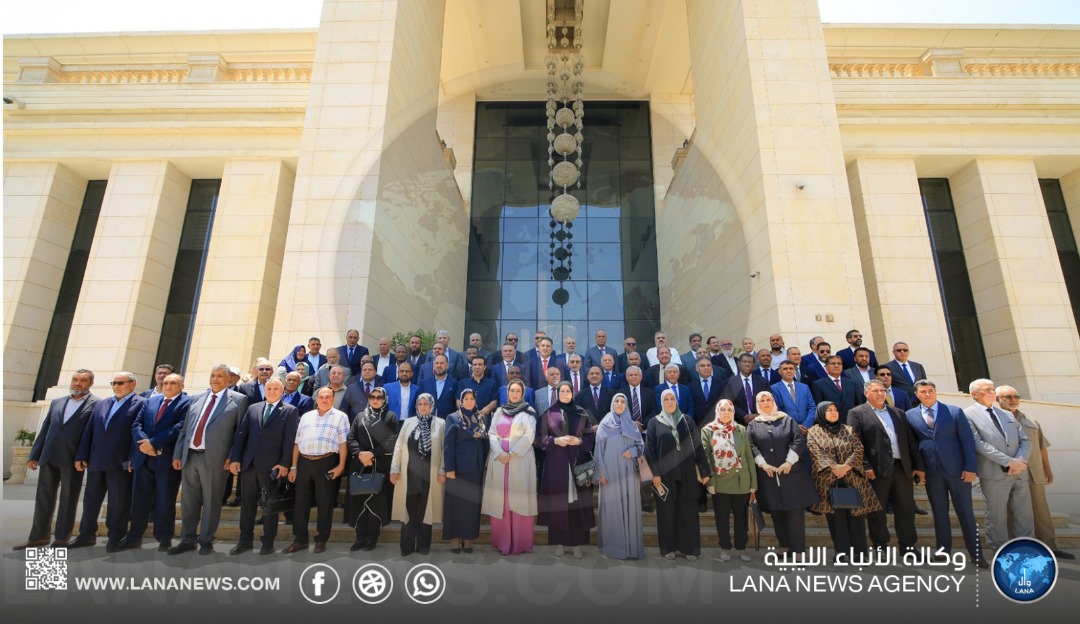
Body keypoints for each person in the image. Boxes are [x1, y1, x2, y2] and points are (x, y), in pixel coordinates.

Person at [14, 370, 100, 551]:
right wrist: (34, 455)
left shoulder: (97, 405)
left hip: (73, 459)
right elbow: (45, 430)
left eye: (83, 381)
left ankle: (62, 538)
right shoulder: (57, 402)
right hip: (49, 456)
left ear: (90, 383)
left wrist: (84, 457)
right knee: (43, 499)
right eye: (75, 379)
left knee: (68, 499)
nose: (78, 383)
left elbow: (92, 435)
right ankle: (38, 537)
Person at [169, 364, 250, 555]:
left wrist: (233, 456)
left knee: (212, 501)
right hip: (190, 457)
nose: (215, 379)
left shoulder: (238, 400)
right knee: (189, 502)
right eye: (213, 375)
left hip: (216, 459)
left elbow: (240, 432)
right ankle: (187, 539)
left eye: (220, 376)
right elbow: (185, 429)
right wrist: (178, 454)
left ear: (229, 378)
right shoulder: (196, 399)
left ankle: (206, 540)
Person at [905, 380, 985, 567]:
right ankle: (943, 552)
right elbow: (913, 446)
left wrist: (971, 468)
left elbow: (967, 442)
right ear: (916, 394)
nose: (927, 394)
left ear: (935, 392)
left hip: (958, 471)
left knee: (966, 513)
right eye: (923, 391)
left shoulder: (954, 411)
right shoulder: (909, 415)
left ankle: (976, 554)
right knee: (939, 513)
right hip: (932, 472)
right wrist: (919, 470)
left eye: (931, 391)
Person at [69, 372, 145, 552]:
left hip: (121, 463)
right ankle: (86, 535)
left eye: (121, 383)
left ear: (132, 384)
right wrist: (82, 455)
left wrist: (133, 459)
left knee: (118, 502)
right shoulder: (103, 404)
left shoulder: (142, 404)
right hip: (97, 460)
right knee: (91, 500)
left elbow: (139, 433)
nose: (116, 386)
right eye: (114, 383)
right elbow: (90, 431)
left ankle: (115, 538)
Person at [995, 386, 1074, 560]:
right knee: (1011, 511)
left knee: (1041, 512)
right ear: (997, 398)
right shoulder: (993, 420)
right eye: (1008, 397)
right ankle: (1014, 548)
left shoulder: (1030, 420)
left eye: (1016, 396)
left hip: (1033, 472)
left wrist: (1047, 468)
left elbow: (1041, 447)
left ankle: (1050, 547)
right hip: (1009, 474)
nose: (1013, 400)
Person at [227, 376, 299, 555]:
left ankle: (268, 542)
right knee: (247, 505)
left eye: (276, 389)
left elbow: (290, 440)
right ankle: (245, 540)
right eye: (269, 389)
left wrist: (284, 463)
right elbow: (241, 434)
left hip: (272, 467)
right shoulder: (253, 408)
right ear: (264, 391)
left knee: (270, 507)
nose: (272, 391)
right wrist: (235, 459)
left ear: (282, 392)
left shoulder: (290, 411)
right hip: (249, 465)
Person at [121, 373, 190, 551]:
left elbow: (179, 427)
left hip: (166, 461)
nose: (168, 386)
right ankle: (134, 536)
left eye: (173, 383)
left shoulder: (187, 403)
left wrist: (153, 443)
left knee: (165, 501)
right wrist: (144, 444)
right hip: (143, 458)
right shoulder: (150, 401)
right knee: (139, 500)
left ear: (181, 386)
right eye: (165, 383)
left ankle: (164, 538)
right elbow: (136, 424)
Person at [964, 379, 1033, 552]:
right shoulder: (967, 414)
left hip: (1019, 471)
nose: (992, 392)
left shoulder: (1007, 414)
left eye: (992, 389)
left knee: (1024, 514)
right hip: (994, 473)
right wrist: (1008, 461)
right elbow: (978, 443)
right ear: (974, 395)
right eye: (987, 390)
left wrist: (1019, 461)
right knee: (996, 515)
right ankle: (1000, 549)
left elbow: (1025, 440)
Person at [747, 391, 819, 554]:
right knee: (776, 512)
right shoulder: (753, 425)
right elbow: (751, 446)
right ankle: (784, 546)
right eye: (762, 400)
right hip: (769, 477)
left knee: (795, 514)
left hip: (791, 475)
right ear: (758, 404)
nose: (766, 403)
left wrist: (789, 462)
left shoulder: (787, 420)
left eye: (769, 399)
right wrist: (763, 464)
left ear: (774, 401)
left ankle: (798, 551)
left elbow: (799, 440)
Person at [807, 401, 880, 562]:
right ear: (821, 413)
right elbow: (816, 452)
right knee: (836, 519)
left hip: (852, 479)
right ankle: (841, 552)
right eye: (829, 410)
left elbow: (858, 449)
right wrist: (834, 468)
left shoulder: (848, 429)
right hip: (828, 481)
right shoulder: (813, 431)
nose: (834, 413)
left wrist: (846, 467)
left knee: (856, 517)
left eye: (835, 410)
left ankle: (860, 554)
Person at [283, 386, 349, 554]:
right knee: (301, 503)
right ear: (316, 399)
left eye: (328, 397)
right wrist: (293, 466)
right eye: (321, 397)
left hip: (327, 462)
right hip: (304, 463)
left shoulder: (341, 417)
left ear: (333, 399)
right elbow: (297, 443)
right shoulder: (306, 416)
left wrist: (341, 466)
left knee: (325, 502)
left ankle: (321, 539)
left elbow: (343, 443)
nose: (324, 400)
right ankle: (300, 539)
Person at [646, 388, 710, 560]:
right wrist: (655, 474)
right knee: (666, 513)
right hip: (664, 476)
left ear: (676, 401)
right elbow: (649, 451)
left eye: (672, 398)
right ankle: (668, 548)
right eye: (666, 399)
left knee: (688, 512)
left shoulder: (687, 420)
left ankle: (690, 549)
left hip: (687, 473)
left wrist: (705, 471)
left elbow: (698, 447)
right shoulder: (654, 422)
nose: (669, 402)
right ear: (661, 402)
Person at [537, 381, 597, 558]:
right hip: (557, 463)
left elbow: (591, 437)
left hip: (579, 461)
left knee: (579, 503)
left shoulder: (583, 412)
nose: (565, 394)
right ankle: (559, 542)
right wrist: (555, 441)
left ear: (572, 393)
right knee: (558, 504)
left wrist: (579, 441)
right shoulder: (549, 413)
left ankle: (578, 543)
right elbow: (540, 438)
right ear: (557, 393)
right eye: (561, 391)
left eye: (567, 391)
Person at [482, 379, 538, 555]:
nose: (514, 394)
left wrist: (512, 454)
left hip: (519, 460)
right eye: (511, 391)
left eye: (517, 391)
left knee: (518, 500)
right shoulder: (499, 411)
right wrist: (499, 453)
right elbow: (492, 433)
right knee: (502, 501)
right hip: (500, 461)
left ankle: (520, 544)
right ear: (508, 393)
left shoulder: (529, 412)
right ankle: (502, 542)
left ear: (522, 393)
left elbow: (530, 436)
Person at [390, 394, 447, 556]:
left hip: (430, 475)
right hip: (410, 475)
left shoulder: (440, 423)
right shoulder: (408, 423)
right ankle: (406, 546)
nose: (423, 407)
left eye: (426, 404)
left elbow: (444, 449)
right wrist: (395, 469)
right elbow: (399, 447)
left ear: (432, 406)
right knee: (409, 509)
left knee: (425, 510)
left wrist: (442, 470)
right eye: (420, 404)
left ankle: (423, 546)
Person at [701, 400, 756, 562]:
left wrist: (753, 484)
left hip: (741, 481)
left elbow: (748, 457)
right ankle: (725, 547)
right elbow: (705, 457)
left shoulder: (741, 429)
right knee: (722, 517)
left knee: (741, 517)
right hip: (720, 481)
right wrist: (710, 482)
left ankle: (741, 548)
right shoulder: (708, 430)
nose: (726, 412)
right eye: (723, 409)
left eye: (730, 410)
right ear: (717, 411)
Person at [346, 386, 399, 552]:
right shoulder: (360, 416)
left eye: (379, 397)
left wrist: (373, 454)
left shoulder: (390, 416)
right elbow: (351, 438)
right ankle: (359, 537)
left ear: (384, 399)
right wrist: (361, 454)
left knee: (376, 502)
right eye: (372, 397)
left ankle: (372, 538)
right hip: (359, 464)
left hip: (379, 464)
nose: (375, 400)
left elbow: (392, 439)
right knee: (358, 501)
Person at [595, 393, 646, 560]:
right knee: (613, 508)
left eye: (622, 401)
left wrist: (632, 452)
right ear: (612, 403)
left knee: (630, 506)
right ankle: (615, 548)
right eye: (616, 401)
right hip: (610, 472)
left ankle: (631, 548)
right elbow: (598, 451)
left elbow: (641, 446)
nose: (619, 403)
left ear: (626, 405)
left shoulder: (631, 425)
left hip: (629, 472)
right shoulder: (604, 425)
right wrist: (601, 472)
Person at [443, 389, 489, 553]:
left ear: (476, 401)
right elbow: (448, 445)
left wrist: (483, 466)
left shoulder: (481, 418)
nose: (469, 401)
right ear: (461, 401)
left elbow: (485, 444)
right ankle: (455, 540)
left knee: (471, 505)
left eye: (472, 399)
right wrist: (449, 468)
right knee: (455, 505)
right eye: (466, 399)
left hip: (475, 469)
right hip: (457, 469)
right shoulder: (452, 418)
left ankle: (468, 539)